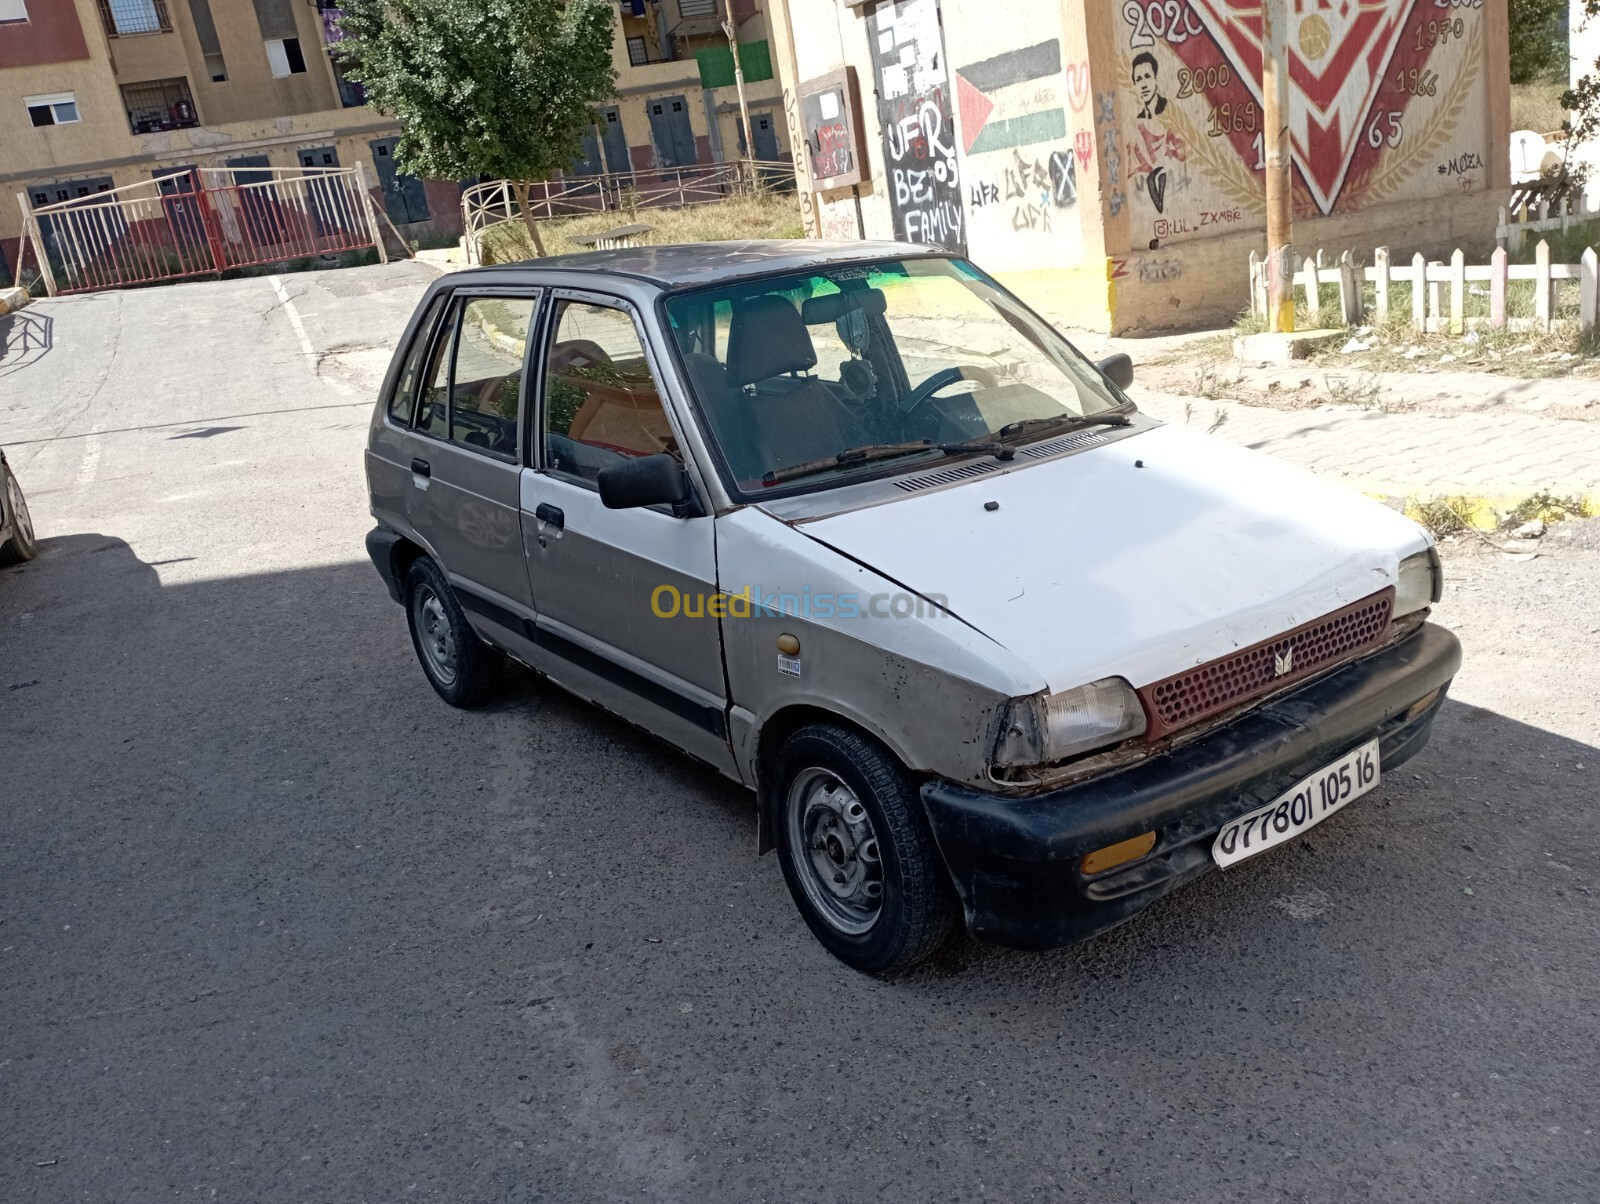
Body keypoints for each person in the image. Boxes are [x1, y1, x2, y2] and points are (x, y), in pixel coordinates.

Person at [1132, 52, 1167, 120]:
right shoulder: (1140, 117)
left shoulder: (1167, 107)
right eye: (1138, 79)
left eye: (1147, 76)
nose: (1143, 85)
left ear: (1156, 79)